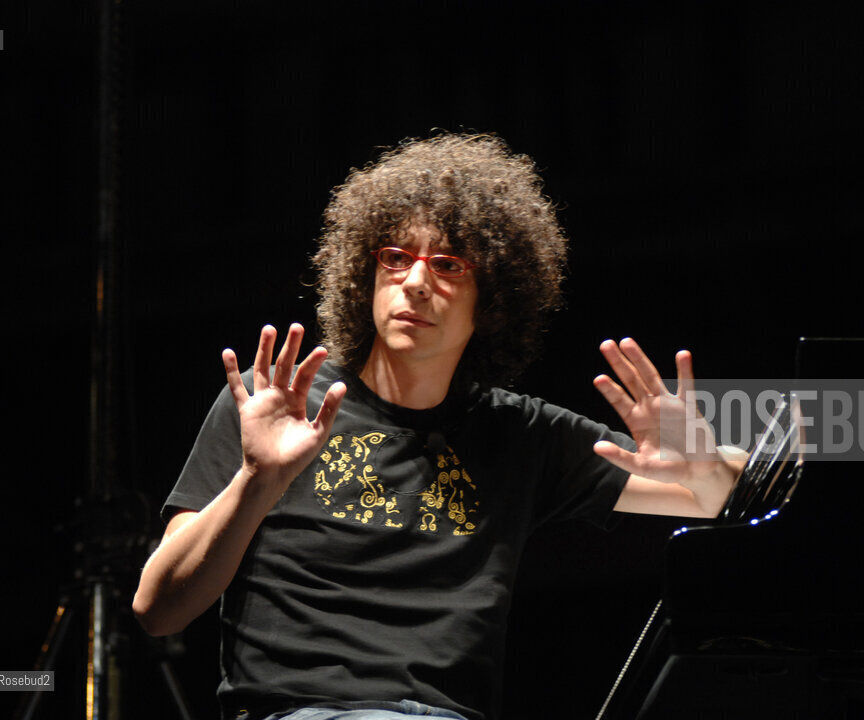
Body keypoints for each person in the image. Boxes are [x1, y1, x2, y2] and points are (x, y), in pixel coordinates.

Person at [132, 133, 746, 720]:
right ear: (366, 275)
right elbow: (157, 610)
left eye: (448, 265)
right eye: (396, 258)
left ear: (494, 300)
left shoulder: (521, 435)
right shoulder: (278, 407)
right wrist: (256, 481)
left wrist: (705, 465)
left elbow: (727, 498)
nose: (417, 282)